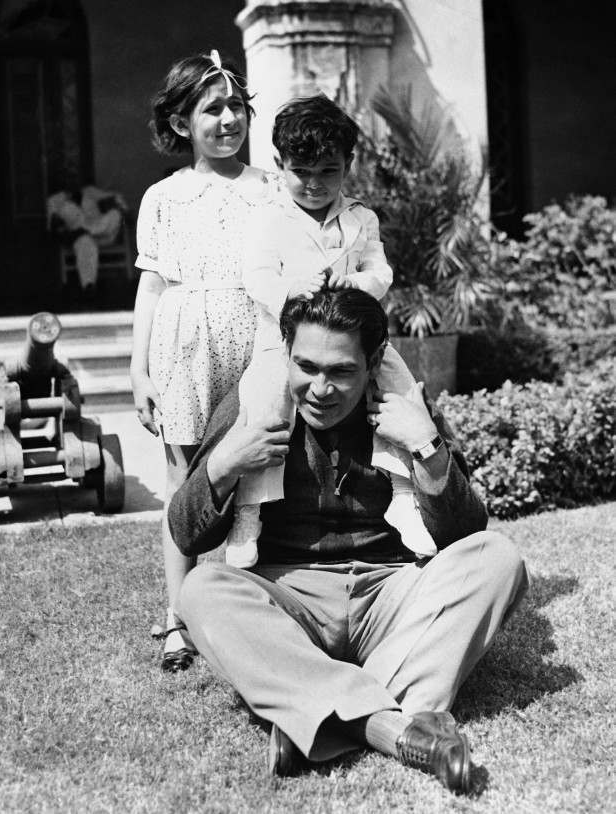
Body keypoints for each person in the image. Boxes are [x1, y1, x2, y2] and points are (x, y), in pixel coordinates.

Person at [168, 288, 529, 793]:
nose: (319, 388)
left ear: (374, 362)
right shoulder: (252, 403)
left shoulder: (403, 405)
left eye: (340, 372)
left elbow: (464, 534)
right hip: (290, 600)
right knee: (202, 590)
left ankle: (312, 713)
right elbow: (185, 532)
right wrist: (225, 466)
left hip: (392, 594)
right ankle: (396, 725)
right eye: (306, 367)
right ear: (286, 355)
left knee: (498, 557)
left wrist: (425, 445)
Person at [225, 95, 436, 570]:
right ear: (280, 164)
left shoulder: (362, 217)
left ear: (349, 165)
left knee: (401, 387)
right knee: (262, 400)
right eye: (302, 172)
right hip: (284, 346)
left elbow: (380, 272)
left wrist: (357, 282)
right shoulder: (268, 217)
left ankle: (404, 493)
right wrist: (292, 290)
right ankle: (249, 510)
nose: (315, 184)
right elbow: (257, 277)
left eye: (329, 171)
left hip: (351, 341)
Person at [130, 50, 282, 672]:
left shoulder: (269, 189)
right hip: (184, 345)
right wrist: (139, 369)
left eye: (235, 107)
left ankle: (257, 608)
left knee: (257, 473)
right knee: (184, 479)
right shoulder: (164, 198)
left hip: (253, 340)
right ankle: (177, 616)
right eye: (210, 109)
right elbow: (152, 286)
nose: (227, 120)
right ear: (181, 123)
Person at [47, 184, 127, 296]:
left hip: (103, 234)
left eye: (75, 175)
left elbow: (116, 197)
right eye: (69, 175)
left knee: (115, 214)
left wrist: (118, 205)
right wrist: (64, 229)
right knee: (85, 242)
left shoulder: (90, 192)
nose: (73, 179)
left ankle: (88, 230)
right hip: (79, 238)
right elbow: (54, 227)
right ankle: (88, 286)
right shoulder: (55, 200)